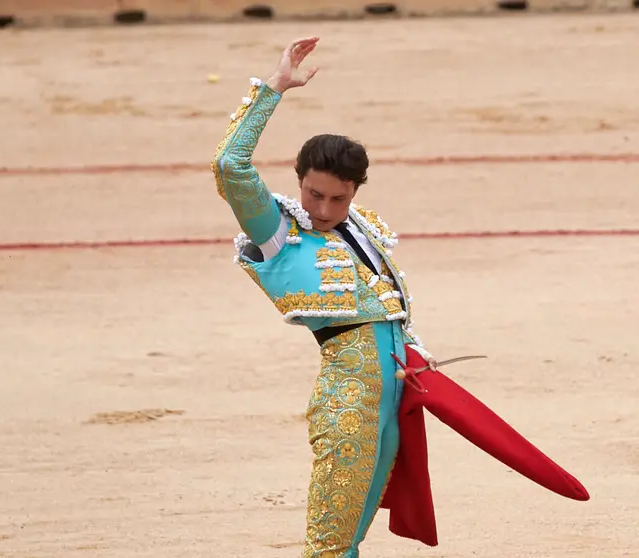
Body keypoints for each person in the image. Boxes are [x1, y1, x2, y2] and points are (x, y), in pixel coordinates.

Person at [210, 36, 435, 557]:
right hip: (348, 395)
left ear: (355, 191)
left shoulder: (360, 229)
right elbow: (230, 167)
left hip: (395, 386)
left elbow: (391, 315)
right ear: (299, 180)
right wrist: (274, 88)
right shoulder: (277, 230)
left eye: (339, 196)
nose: (326, 207)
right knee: (330, 541)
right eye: (315, 193)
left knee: (352, 531)